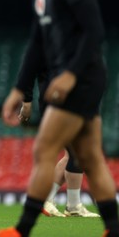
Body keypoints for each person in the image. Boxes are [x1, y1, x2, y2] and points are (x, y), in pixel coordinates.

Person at [0, 0, 119, 236]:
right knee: (90, 157)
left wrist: (71, 74)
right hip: (79, 78)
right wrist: (20, 88)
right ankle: (113, 229)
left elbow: (95, 31)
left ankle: (22, 230)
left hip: (81, 78)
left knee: (44, 150)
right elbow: (38, 41)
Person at [19, 81, 100, 218]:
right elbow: (29, 71)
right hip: (61, 105)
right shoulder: (61, 63)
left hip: (58, 104)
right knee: (77, 152)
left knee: (70, 154)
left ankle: (48, 200)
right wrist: (26, 101)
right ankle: (73, 206)